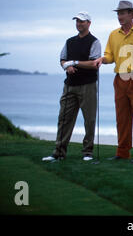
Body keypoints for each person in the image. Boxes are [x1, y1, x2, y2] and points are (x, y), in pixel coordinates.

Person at [94, 0, 133, 162]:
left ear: (131, 14)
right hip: (119, 79)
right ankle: (122, 152)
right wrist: (102, 59)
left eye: (123, 13)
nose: (119, 16)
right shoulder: (113, 35)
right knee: (122, 118)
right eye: (118, 13)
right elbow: (110, 57)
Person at [42, 11, 101, 161]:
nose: (79, 24)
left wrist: (74, 63)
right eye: (77, 21)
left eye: (82, 21)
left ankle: (87, 152)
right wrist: (66, 66)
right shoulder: (69, 41)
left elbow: (94, 64)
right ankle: (59, 153)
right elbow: (62, 59)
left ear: (89, 23)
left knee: (89, 120)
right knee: (64, 118)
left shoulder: (94, 42)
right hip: (70, 84)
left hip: (88, 85)